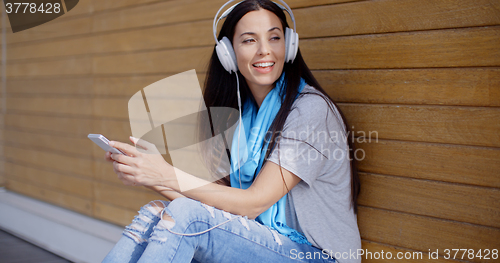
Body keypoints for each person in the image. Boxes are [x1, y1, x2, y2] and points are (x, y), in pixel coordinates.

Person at [101, 0, 361, 262]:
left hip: (317, 256)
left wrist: (166, 174)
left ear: (290, 45)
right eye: (250, 40)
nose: (265, 50)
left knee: (185, 216)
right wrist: (149, 174)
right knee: (155, 212)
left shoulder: (310, 110)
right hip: (264, 241)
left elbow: (254, 203)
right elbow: (214, 205)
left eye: (274, 37)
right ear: (228, 52)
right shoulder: (241, 116)